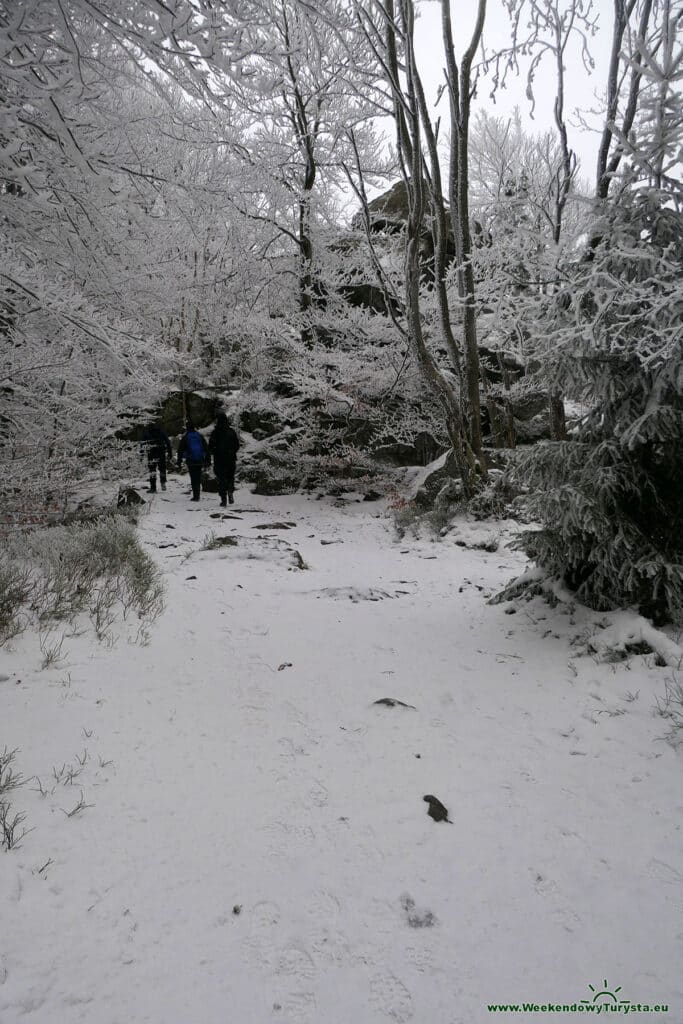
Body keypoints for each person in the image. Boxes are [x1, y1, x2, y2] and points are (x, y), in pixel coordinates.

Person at [208, 411, 240, 506]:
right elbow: (237, 445)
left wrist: (214, 452)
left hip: (219, 459)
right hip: (231, 459)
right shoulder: (231, 431)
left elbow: (210, 446)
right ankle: (230, 491)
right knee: (230, 477)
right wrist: (232, 452)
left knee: (221, 478)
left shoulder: (215, 432)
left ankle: (223, 499)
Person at [177, 420, 209, 501]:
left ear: (187, 428)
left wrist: (179, 461)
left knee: (193, 477)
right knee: (198, 477)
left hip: (191, 460)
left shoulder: (186, 437)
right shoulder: (199, 436)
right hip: (200, 460)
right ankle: (197, 494)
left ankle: (196, 496)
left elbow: (180, 450)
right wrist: (207, 460)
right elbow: (206, 448)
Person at [140, 420, 172, 493]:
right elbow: (167, 442)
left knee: (152, 470)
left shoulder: (147, 433)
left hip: (151, 453)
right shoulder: (161, 432)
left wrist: (141, 455)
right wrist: (170, 453)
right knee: (162, 468)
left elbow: (142, 444)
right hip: (161, 452)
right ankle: (163, 482)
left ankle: (153, 488)